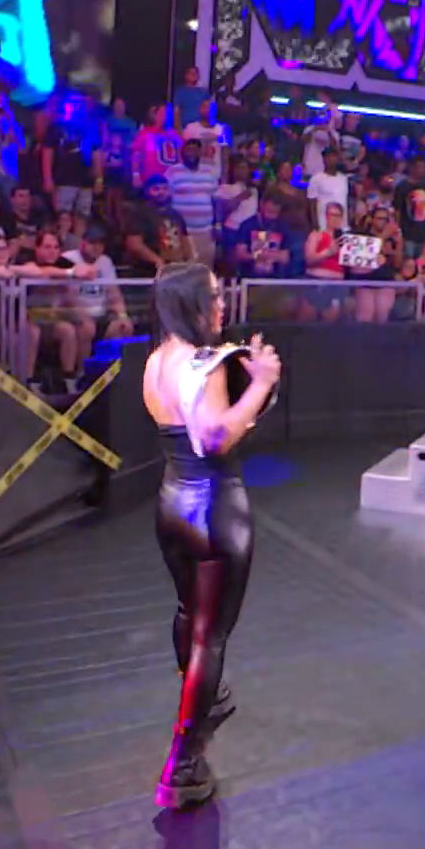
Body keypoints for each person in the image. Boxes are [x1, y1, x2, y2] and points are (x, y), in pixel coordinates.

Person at [142, 262, 280, 809]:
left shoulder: (158, 359)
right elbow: (215, 437)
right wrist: (261, 384)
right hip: (214, 506)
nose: (222, 305)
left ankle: (200, 697)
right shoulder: (205, 363)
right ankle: (183, 765)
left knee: (189, 615)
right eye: (214, 296)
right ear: (190, 303)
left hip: (172, 502)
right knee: (210, 636)